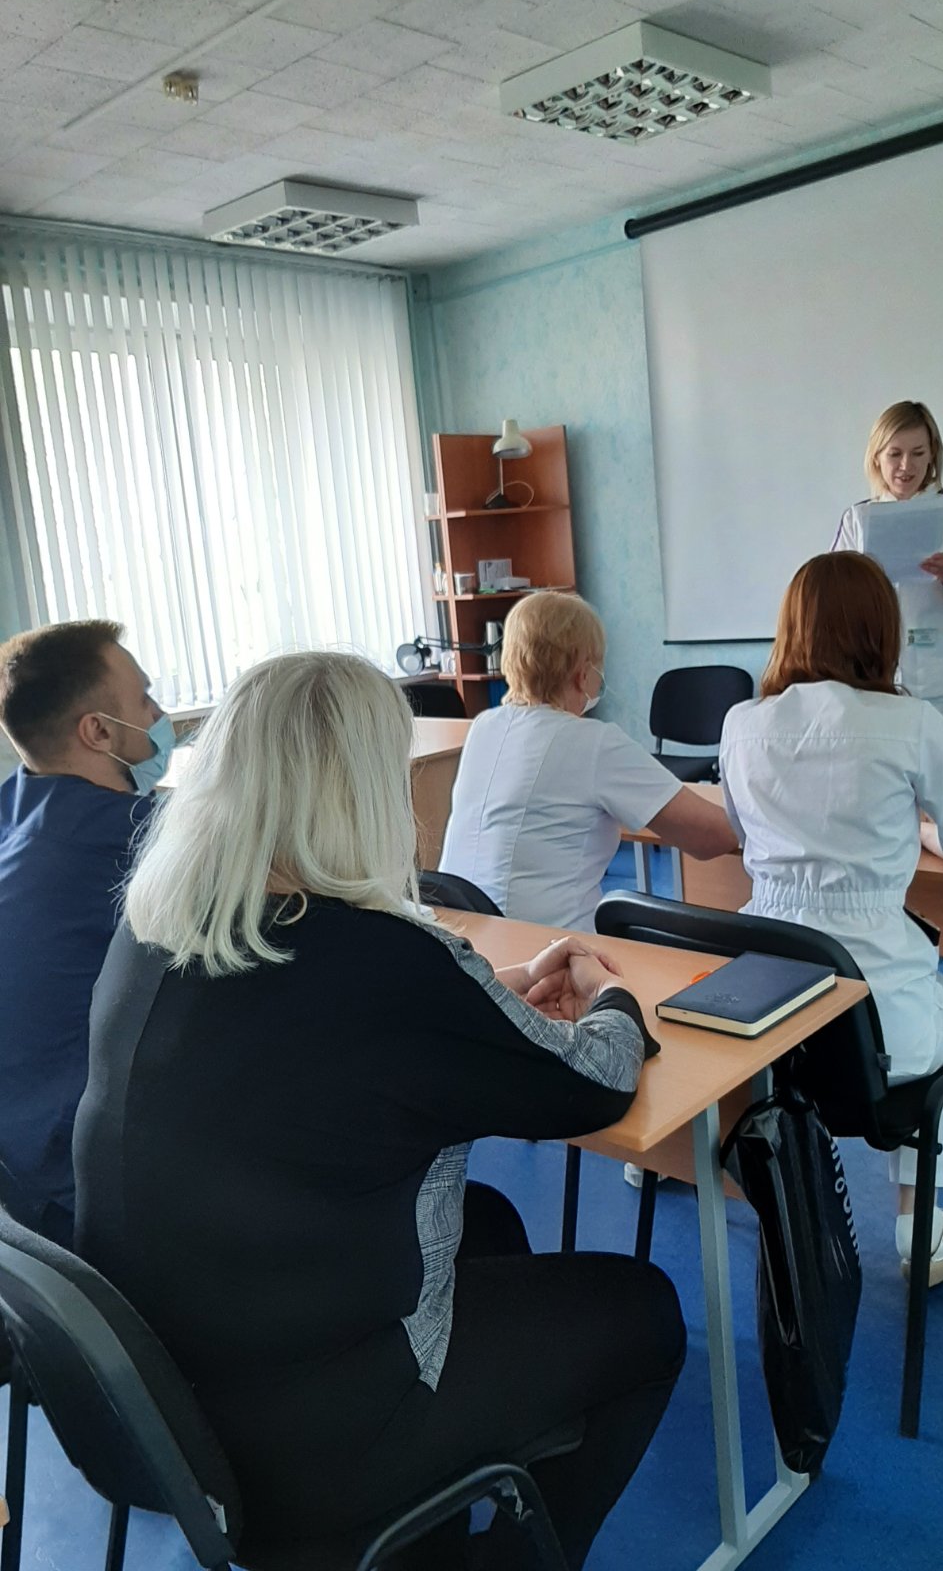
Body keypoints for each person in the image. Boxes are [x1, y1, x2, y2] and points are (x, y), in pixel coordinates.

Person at [73, 651, 684, 1571]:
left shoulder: (159, 925)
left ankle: (442, 1504)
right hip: (312, 1439)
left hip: (163, 1396)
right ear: (361, 788)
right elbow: (592, 1086)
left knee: (492, 1221)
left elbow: (321, 1049)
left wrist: (493, 992)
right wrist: (608, 997)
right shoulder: (381, 959)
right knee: (645, 1311)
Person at [719, 553, 943, 1286]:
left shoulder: (741, 723)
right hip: (880, 1035)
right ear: (883, 631)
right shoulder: (908, 722)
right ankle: (922, 1227)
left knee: (884, 1013)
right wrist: (919, 829)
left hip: (771, 1031)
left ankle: (790, 1208)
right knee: (932, 1007)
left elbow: (745, 833)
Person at [0, 618, 169, 1242]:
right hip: (74, 1188)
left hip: (15, 1176)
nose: (159, 713)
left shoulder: (15, 809)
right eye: (145, 699)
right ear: (98, 731)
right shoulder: (132, 838)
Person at [440, 591, 735, 930]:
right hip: (543, 953)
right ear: (583, 674)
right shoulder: (593, 743)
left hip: (460, 941)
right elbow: (714, 837)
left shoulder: (484, 727)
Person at [832, 399, 943, 769]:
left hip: (938, 677)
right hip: (874, 677)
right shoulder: (858, 518)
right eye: (895, 454)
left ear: (933, 453)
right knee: (884, 786)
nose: (907, 466)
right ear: (876, 458)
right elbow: (832, 603)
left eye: (918, 453)